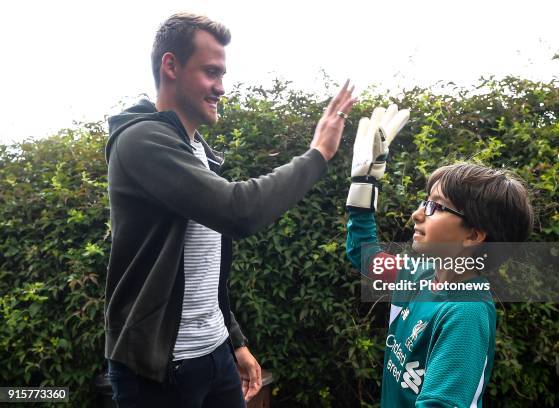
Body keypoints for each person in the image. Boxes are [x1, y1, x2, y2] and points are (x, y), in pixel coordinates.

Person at [104, 12, 356, 408]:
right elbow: (239, 211)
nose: (221, 87)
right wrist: (319, 153)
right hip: (159, 373)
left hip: (215, 355)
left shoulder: (197, 152)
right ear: (171, 66)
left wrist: (234, 341)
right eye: (211, 72)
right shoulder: (141, 141)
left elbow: (202, 269)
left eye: (222, 74)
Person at [345, 106, 534, 407]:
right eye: (424, 202)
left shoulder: (465, 314)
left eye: (436, 206)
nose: (417, 214)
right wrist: (362, 186)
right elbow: (364, 255)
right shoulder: (418, 273)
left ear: (473, 235)